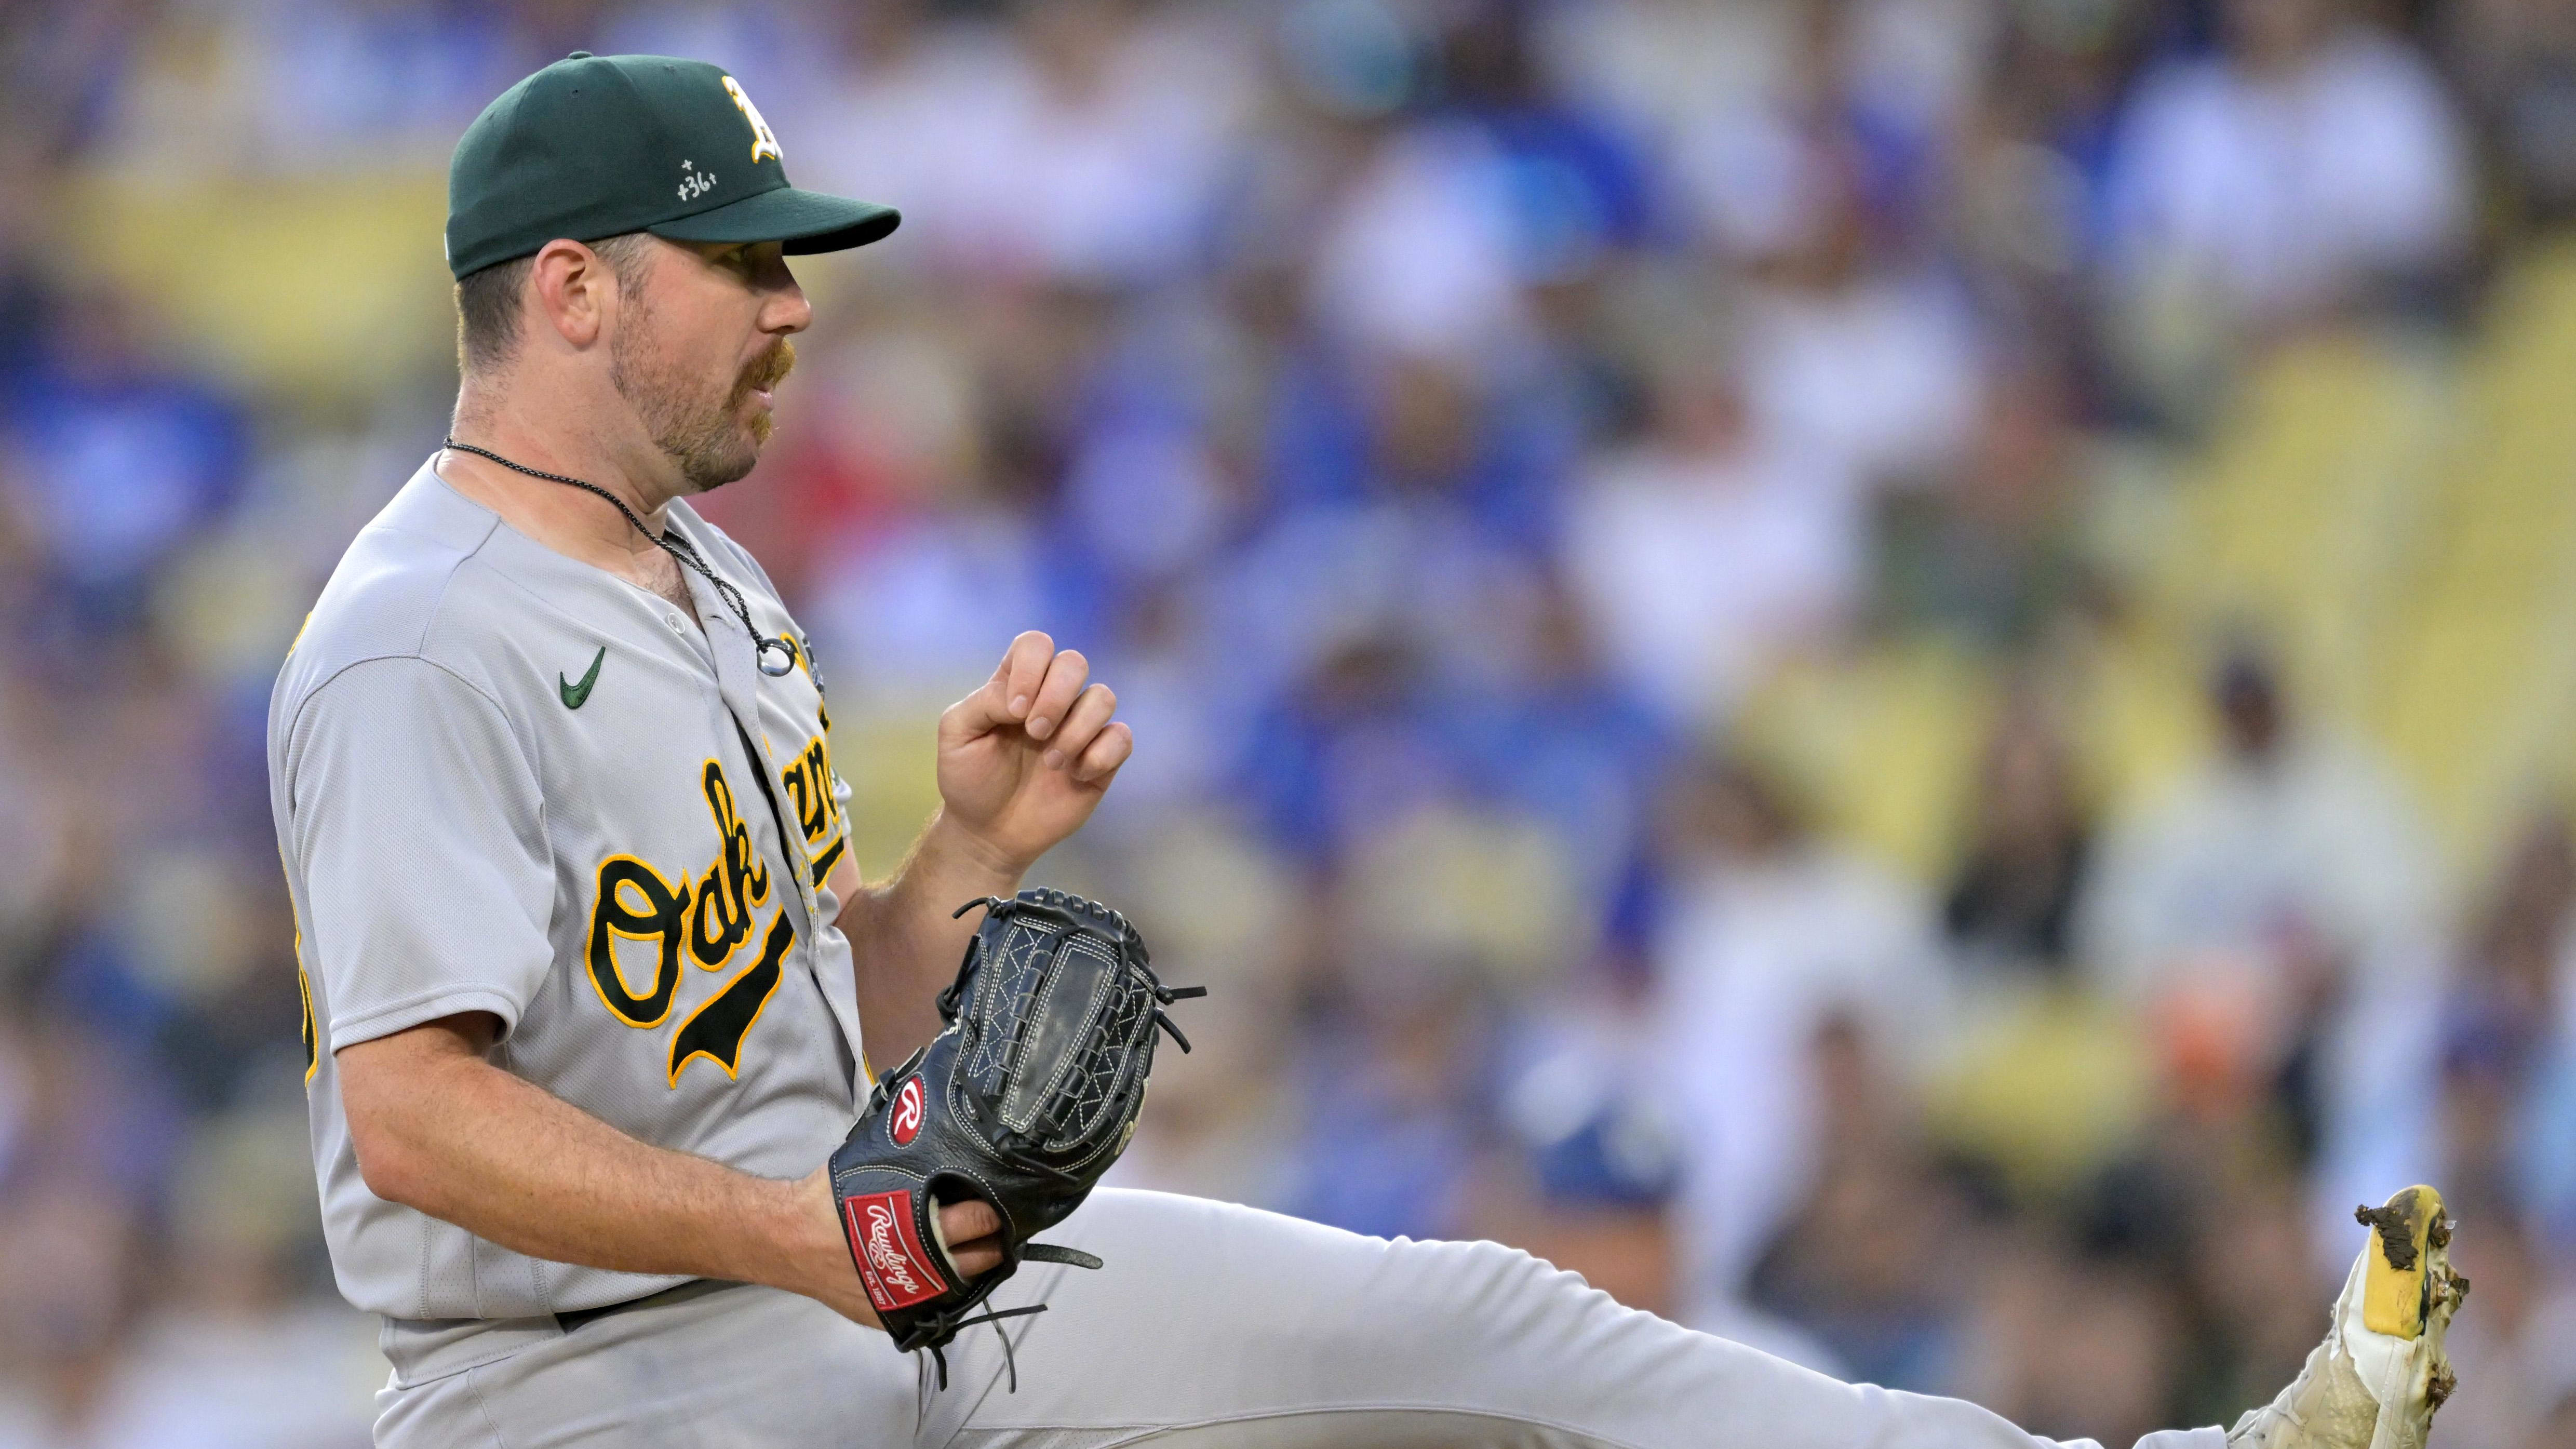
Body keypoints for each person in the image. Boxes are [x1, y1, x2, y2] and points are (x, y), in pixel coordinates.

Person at [269, 52, 2463, 1448]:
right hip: (584, 1389)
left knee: (1492, 1332)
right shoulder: (415, 646)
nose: (791, 302)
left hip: (875, 1291)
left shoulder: (715, 582)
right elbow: (416, 1107)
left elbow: (806, 1007)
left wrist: (959, 863)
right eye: (733, 260)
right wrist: (802, 1236)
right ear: (567, 289)